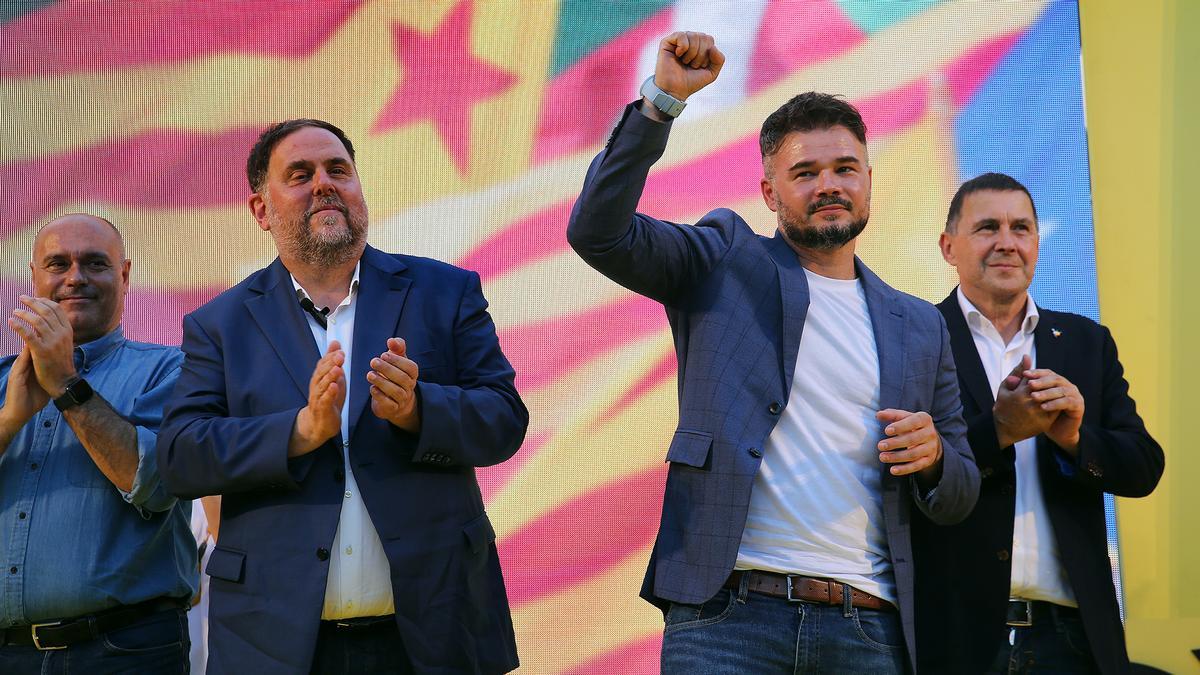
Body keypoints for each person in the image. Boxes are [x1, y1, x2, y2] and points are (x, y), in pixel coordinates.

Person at [566, 32, 979, 673]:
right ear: (768, 193)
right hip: (726, 619)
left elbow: (960, 492)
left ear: (869, 180)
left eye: (844, 169)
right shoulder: (724, 258)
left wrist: (933, 461)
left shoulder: (920, 326)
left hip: (868, 628)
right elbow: (598, 231)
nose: (828, 185)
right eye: (805, 173)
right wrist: (661, 104)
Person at [156, 118, 528, 674]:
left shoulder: (443, 292)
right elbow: (181, 457)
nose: (324, 184)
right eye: (300, 174)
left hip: (435, 633)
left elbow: (504, 419)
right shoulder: (220, 324)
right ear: (260, 210)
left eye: (338, 170)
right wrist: (300, 431)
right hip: (276, 646)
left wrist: (419, 410)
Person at [912, 172, 1164, 674]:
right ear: (948, 246)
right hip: (957, 636)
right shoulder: (917, 336)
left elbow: (1143, 467)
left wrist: (1073, 439)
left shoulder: (1085, 342)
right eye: (988, 227)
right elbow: (902, 480)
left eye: (1021, 228)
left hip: (1072, 639)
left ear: (1036, 243)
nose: (1007, 242)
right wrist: (999, 431)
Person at [0, 214, 195, 672]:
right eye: (57, 264)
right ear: (33, 276)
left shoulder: (173, 371)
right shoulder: (3, 382)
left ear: (124, 275)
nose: (75, 278)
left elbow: (156, 484)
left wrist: (66, 385)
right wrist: (10, 418)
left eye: (94, 263)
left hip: (124, 651)